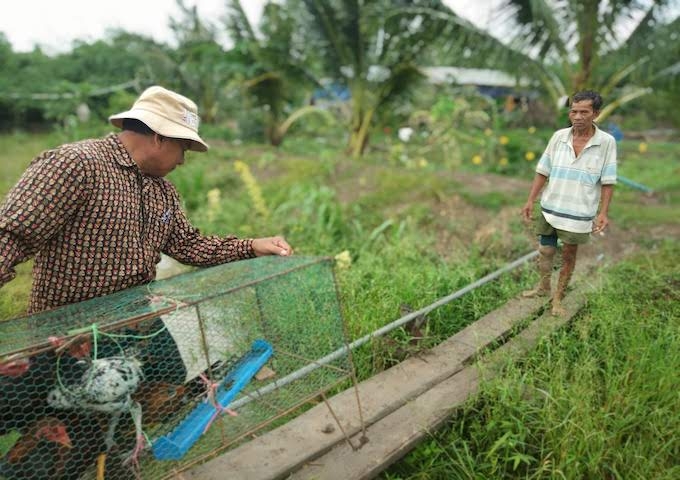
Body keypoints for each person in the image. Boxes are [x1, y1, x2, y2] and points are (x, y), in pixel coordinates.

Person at [0, 85, 293, 314]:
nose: (182, 161)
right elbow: (11, 236)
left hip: (135, 319)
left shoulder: (162, 191)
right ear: (159, 138)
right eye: (183, 148)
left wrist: (252, 246)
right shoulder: (77, 164)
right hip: (68, 332)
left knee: (171, 382)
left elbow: (188, 245)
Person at [521, 90, 616, 316]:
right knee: (545, 250)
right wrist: (530, 200)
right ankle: (543, 287)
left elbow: (608, 181)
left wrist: (603, 212)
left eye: (584, 112)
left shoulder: (606, 143)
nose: (578, 116)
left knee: (568, 256)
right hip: (550, 206)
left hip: (579, 212)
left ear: (596, 114)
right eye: (574, 111)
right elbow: (543, 171)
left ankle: (558, 300)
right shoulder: (558, 137)